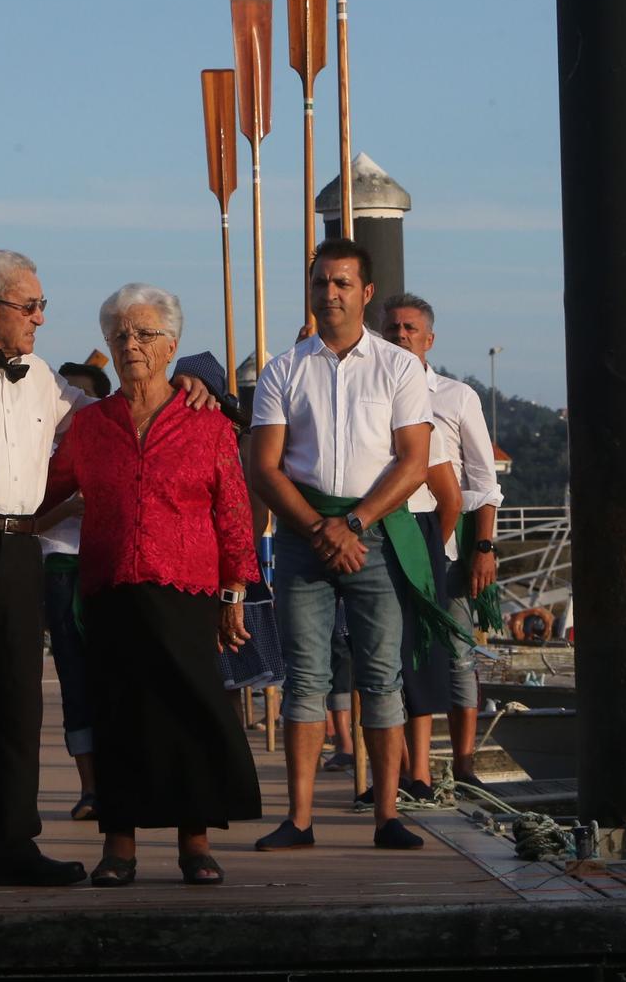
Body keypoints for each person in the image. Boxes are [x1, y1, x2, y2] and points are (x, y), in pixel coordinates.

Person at [0, 248, 216, 893]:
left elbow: (105, 414)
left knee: (18, 703)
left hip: (19, 548)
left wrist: (185, 390)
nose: (40, 317)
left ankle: (12, 845)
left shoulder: (37, 375)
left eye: (41, 306)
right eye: (29, 305)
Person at [39, 284, 262, 886]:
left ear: (171, 346)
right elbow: (43, 493)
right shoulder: (91, 427)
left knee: (190, 709)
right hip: (110, 587)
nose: (130, 344)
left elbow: (234, 513)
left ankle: (195, 843)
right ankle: (120, 846)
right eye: (120, 335)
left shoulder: (206, 422)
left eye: (143, 335)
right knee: (119, 712)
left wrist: (234, 592)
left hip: (188, 588)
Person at [248, 239, 433, 852]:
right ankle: (299, 819)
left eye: (342, 283)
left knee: (382, 678)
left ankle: (387, 815)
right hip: (305, 535)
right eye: (321, 282)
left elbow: (414, 462)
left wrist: (352, 525)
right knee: (304, 679)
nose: (329, 293)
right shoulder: (283, 369)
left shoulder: (400, 368)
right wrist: (318, 528)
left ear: (366, 292)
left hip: (374, 535)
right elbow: (264, 467)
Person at [383, 294, 504, 789]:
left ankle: (464, 762)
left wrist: (482, 546)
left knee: (456, 653)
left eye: (410, 328)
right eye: (393, 328)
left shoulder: (457, 397)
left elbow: (483, 477)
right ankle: (413, 770)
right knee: (400, 657)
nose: (401, 335)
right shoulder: (374, 392)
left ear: (429, 339)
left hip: (447, 548)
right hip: (389, 541)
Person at [43, 360, 110, 819]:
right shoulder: (40, 453)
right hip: (60, 566)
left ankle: (123, 782)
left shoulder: (111, 439)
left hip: (111, 566)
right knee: (75, 680)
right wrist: (68, 507)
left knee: (119, 678)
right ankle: (90, 788)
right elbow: (26, 518)